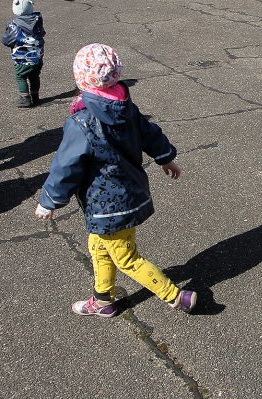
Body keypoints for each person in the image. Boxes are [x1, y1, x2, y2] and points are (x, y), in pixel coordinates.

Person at [34, 43, 197, 317]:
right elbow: (150, 133)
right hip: (130, 193)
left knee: (127, 258)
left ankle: (176, 296)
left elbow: (66, 166)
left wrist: (49, 201)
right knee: (98, 246)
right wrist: (165, 157)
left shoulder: (82, 121)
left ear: (80, 79)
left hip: (106, 204)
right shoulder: (123, 104)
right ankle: (103, 299)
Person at [2, 0, 45, 108]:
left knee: (20, 75)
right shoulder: (37, 20)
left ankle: (25, 98)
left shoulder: (14, 24)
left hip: (23, 58)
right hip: (37, 56)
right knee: (34, 76)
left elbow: (8, 40)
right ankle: (35, 97)